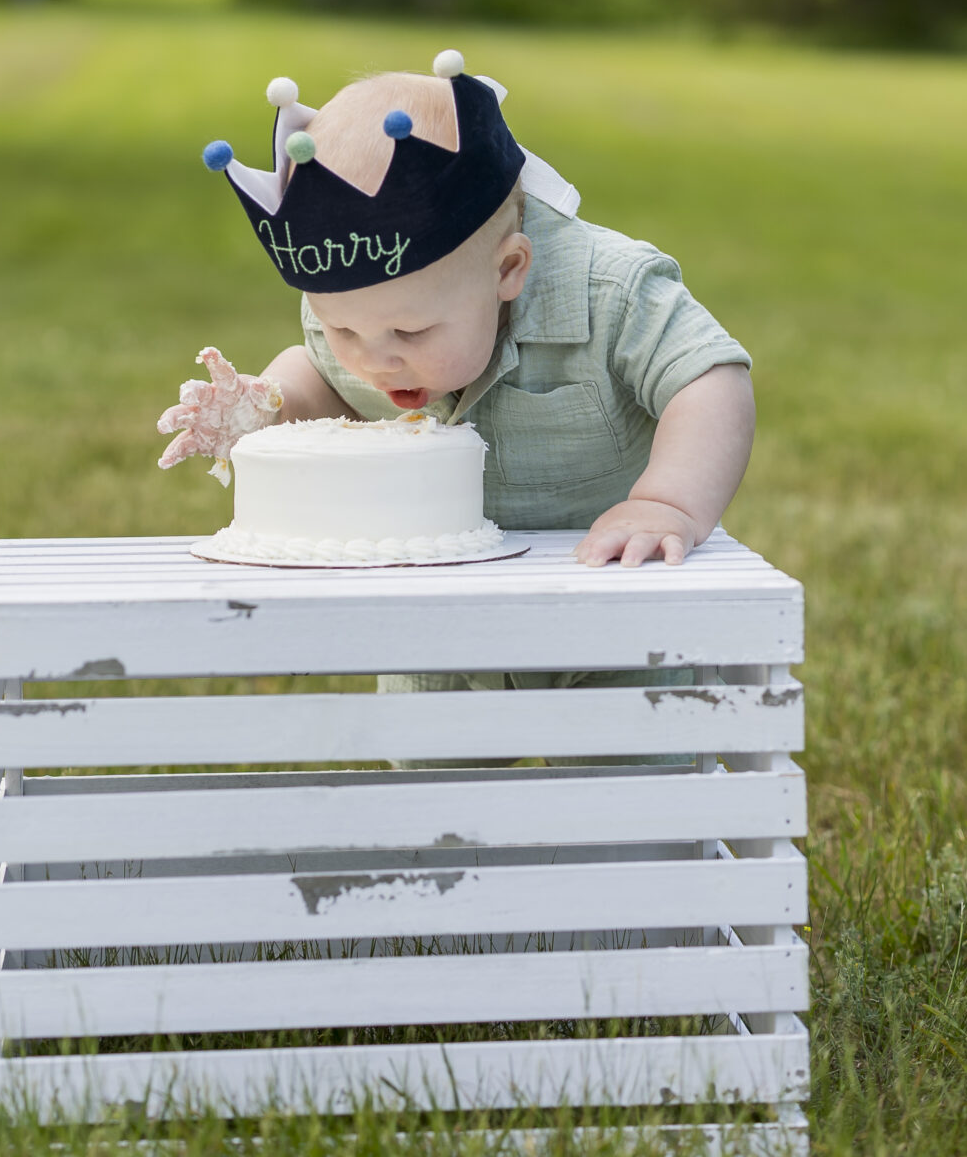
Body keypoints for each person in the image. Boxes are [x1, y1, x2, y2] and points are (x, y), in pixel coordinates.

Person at [156, 52, 754, 696]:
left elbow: (708, 378)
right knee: (423, 747)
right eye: (342, 330)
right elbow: (320, 380)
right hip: (436, 604)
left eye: (411, 332)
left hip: (610, 590)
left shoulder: (611, 292)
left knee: (629, 740)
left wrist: (666, 504)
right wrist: (268, 406)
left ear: (508, 270)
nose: (374, 359)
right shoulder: (357, 313)